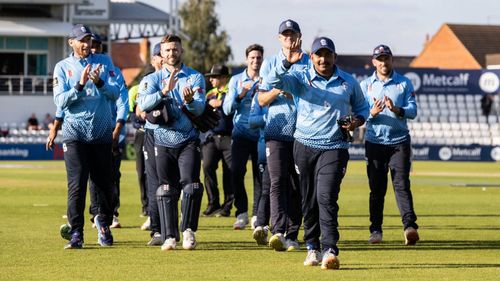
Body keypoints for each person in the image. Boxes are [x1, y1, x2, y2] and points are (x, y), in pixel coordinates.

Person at [266, 36, 369, 269]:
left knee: (326, 197)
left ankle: (330, 249)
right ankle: (312, 247)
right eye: (318, 54)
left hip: (334, 146)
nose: (323, 59)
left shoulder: (348, 82)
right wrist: (287, 62)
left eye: (327, 54)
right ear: (311, 57)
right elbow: (272, 80)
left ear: (335, 56)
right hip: (304, 145)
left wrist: (356, 121)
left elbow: (362, 108)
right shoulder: (300, 76)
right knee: (309, 199)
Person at [53, 24, 119, 249]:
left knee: (105, 184)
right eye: (81, 40)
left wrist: (99, 82)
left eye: (88, 40)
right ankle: (77, 233)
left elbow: (115, 93)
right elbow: (60, 102)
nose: (86, 44)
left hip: (101, 133)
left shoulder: (104, 62)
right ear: (71, 42)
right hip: (75, 134)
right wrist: (80, 85)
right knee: (77, 184)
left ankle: (102, 221)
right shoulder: (62, 67)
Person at [138, 34, 206, 251]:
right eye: (167, 50)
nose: (171, 53)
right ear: (161, 53)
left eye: (175, 49)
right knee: (165, 189)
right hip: (161, 139)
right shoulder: (152, 79)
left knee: (192, 185)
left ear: (181, 51)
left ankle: (188, 231)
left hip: (188, 140)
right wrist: (164, 91)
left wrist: (190, 102)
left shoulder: (195, 77)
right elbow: (142, 104)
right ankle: (169, 236)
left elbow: (200, 108)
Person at [360, 44, 419, 246]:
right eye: (380, 59)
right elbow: (358, 115)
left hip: (399, 142)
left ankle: (409, 228)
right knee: (377, 189)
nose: (383, 62)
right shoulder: (365, 85)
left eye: (386, 58)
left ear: (391, 60)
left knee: (402, 185)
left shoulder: (403, 83)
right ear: (374, 62)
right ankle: (375, 230)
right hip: (375, 142)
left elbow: (413, 111)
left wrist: (397, 109)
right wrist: (371, 113)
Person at [257, 19, 307, 252]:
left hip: (302, 132)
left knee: (297, 186)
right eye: (284, 35)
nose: (288, 38)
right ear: (279, 38)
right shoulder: (270, 63)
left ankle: (293, 233)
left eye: (292, 34)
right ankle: (277, 231)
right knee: (276, 181)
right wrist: (279, 89)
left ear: (299, 36)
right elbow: (261, 99)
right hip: (276, 132)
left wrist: (294, 93)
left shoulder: (308, 62)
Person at [87, 33, 129, 229]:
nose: (93, 49)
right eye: (90, 45)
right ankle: (96, 212)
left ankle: (112, 212)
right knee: (92, 175)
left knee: (112, 174)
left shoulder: (114, 71)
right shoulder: (81, 69)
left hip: (111, 130)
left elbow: (122, 101)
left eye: (97, 46)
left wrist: (118, 126)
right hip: (89, 130)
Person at [222, 44, 264, 230]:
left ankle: (257, 215)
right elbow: (226, 108)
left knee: (260, 176)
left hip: (261, 134)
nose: (255, 61)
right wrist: (241, 95)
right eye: (252, 58)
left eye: (258, 58)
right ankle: (241, 213)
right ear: (247, 59)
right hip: (240, 134)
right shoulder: (236, 80)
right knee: (236, 172)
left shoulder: (267, 79)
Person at [135, 42, 165, 245]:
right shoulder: (148, 80)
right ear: (153, 60)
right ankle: (156, 229)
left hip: (177, 136)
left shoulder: (181, 77)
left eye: (164, 54)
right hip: (153, 134)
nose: (162, 58)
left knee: (175, 183)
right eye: (158, 55)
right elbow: (140, 111)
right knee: (154, 183)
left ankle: (172, 226)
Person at [201, 65, 234, 217]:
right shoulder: (209, 94)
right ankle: (213, 203)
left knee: (229, 172)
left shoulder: (231, 92)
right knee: (207, 167)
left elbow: (234, 107)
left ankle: (226, 207)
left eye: (214, 77)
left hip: (229, 136)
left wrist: (222, 103)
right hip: (211, 137)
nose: (211, 79)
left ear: (223, 78)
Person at [249, 91, 271, 246]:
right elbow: (252, 121)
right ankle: (261, 225)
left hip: (292, 146)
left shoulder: (293, 89)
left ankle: (285, 229)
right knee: (266, 188)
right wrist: (269, 118)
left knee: (291, 190)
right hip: (266, 148)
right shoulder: (260, 96)